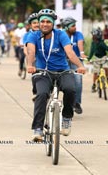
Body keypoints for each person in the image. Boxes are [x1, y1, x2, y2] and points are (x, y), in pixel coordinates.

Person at [26, 8, 86, 141]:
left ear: (53, 23)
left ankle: (66, 118)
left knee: (71, 90)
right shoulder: (33, 35)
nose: (45, 24)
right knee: (41, 95)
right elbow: (31, 51)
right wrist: (30, 65)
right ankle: (38, 129)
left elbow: (70, 53)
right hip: (42, 72)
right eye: (42, 21)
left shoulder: (61, 34)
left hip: (62, 71)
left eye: (48, 21)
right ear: (39, 23)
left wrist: (80, 66)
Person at [61, 16, 87, 114]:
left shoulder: (78, 34)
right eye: (73, 26)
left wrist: (82, 53)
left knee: (78, 81)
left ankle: (76, 103)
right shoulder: (61, 34)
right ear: (66, 27)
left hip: (76, 61)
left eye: (75, 25)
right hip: (63, 61)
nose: (75, 27)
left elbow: (80, 44)